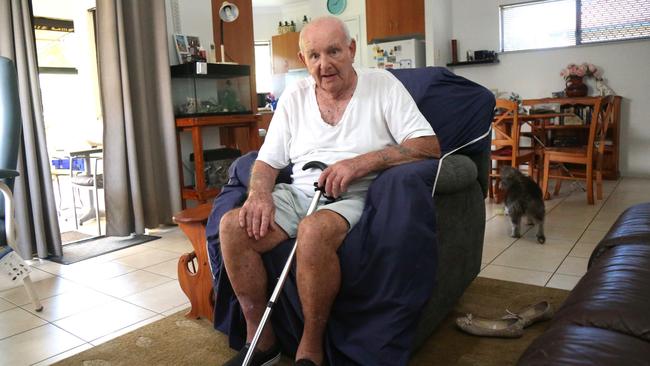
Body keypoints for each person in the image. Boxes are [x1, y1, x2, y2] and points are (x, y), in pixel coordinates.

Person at [220, 16, 441, 366]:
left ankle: (311, 346)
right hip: (300, 193)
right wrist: (259, 194)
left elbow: (428, 146)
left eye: (334, 51)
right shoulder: (295, 96)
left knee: (314, 229)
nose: (324, 65)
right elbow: (266, 162)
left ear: (351, 50)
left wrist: (360, 163)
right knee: (233, 226)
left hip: (354, 196)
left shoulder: (382, 84)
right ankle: (261, 338)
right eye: (314, 56)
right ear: (304, 59)